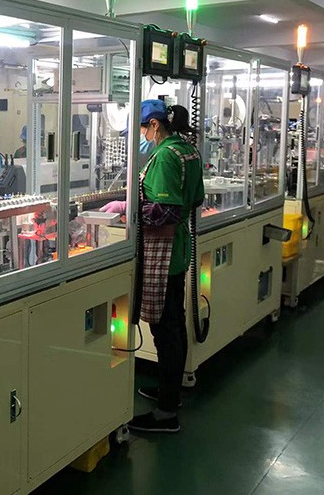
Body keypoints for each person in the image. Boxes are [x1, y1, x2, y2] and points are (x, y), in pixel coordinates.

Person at [101, 99, 204, 433]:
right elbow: (195, 199)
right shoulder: (188, 151)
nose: (142, 136)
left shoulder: (165, 156)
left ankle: (166, 413)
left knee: (164, 329)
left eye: (142, 129)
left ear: (155, 125)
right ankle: (170, 390)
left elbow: (166, 212)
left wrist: (127, 210)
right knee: (174, 324)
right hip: (179, 251)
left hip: (164, 253)